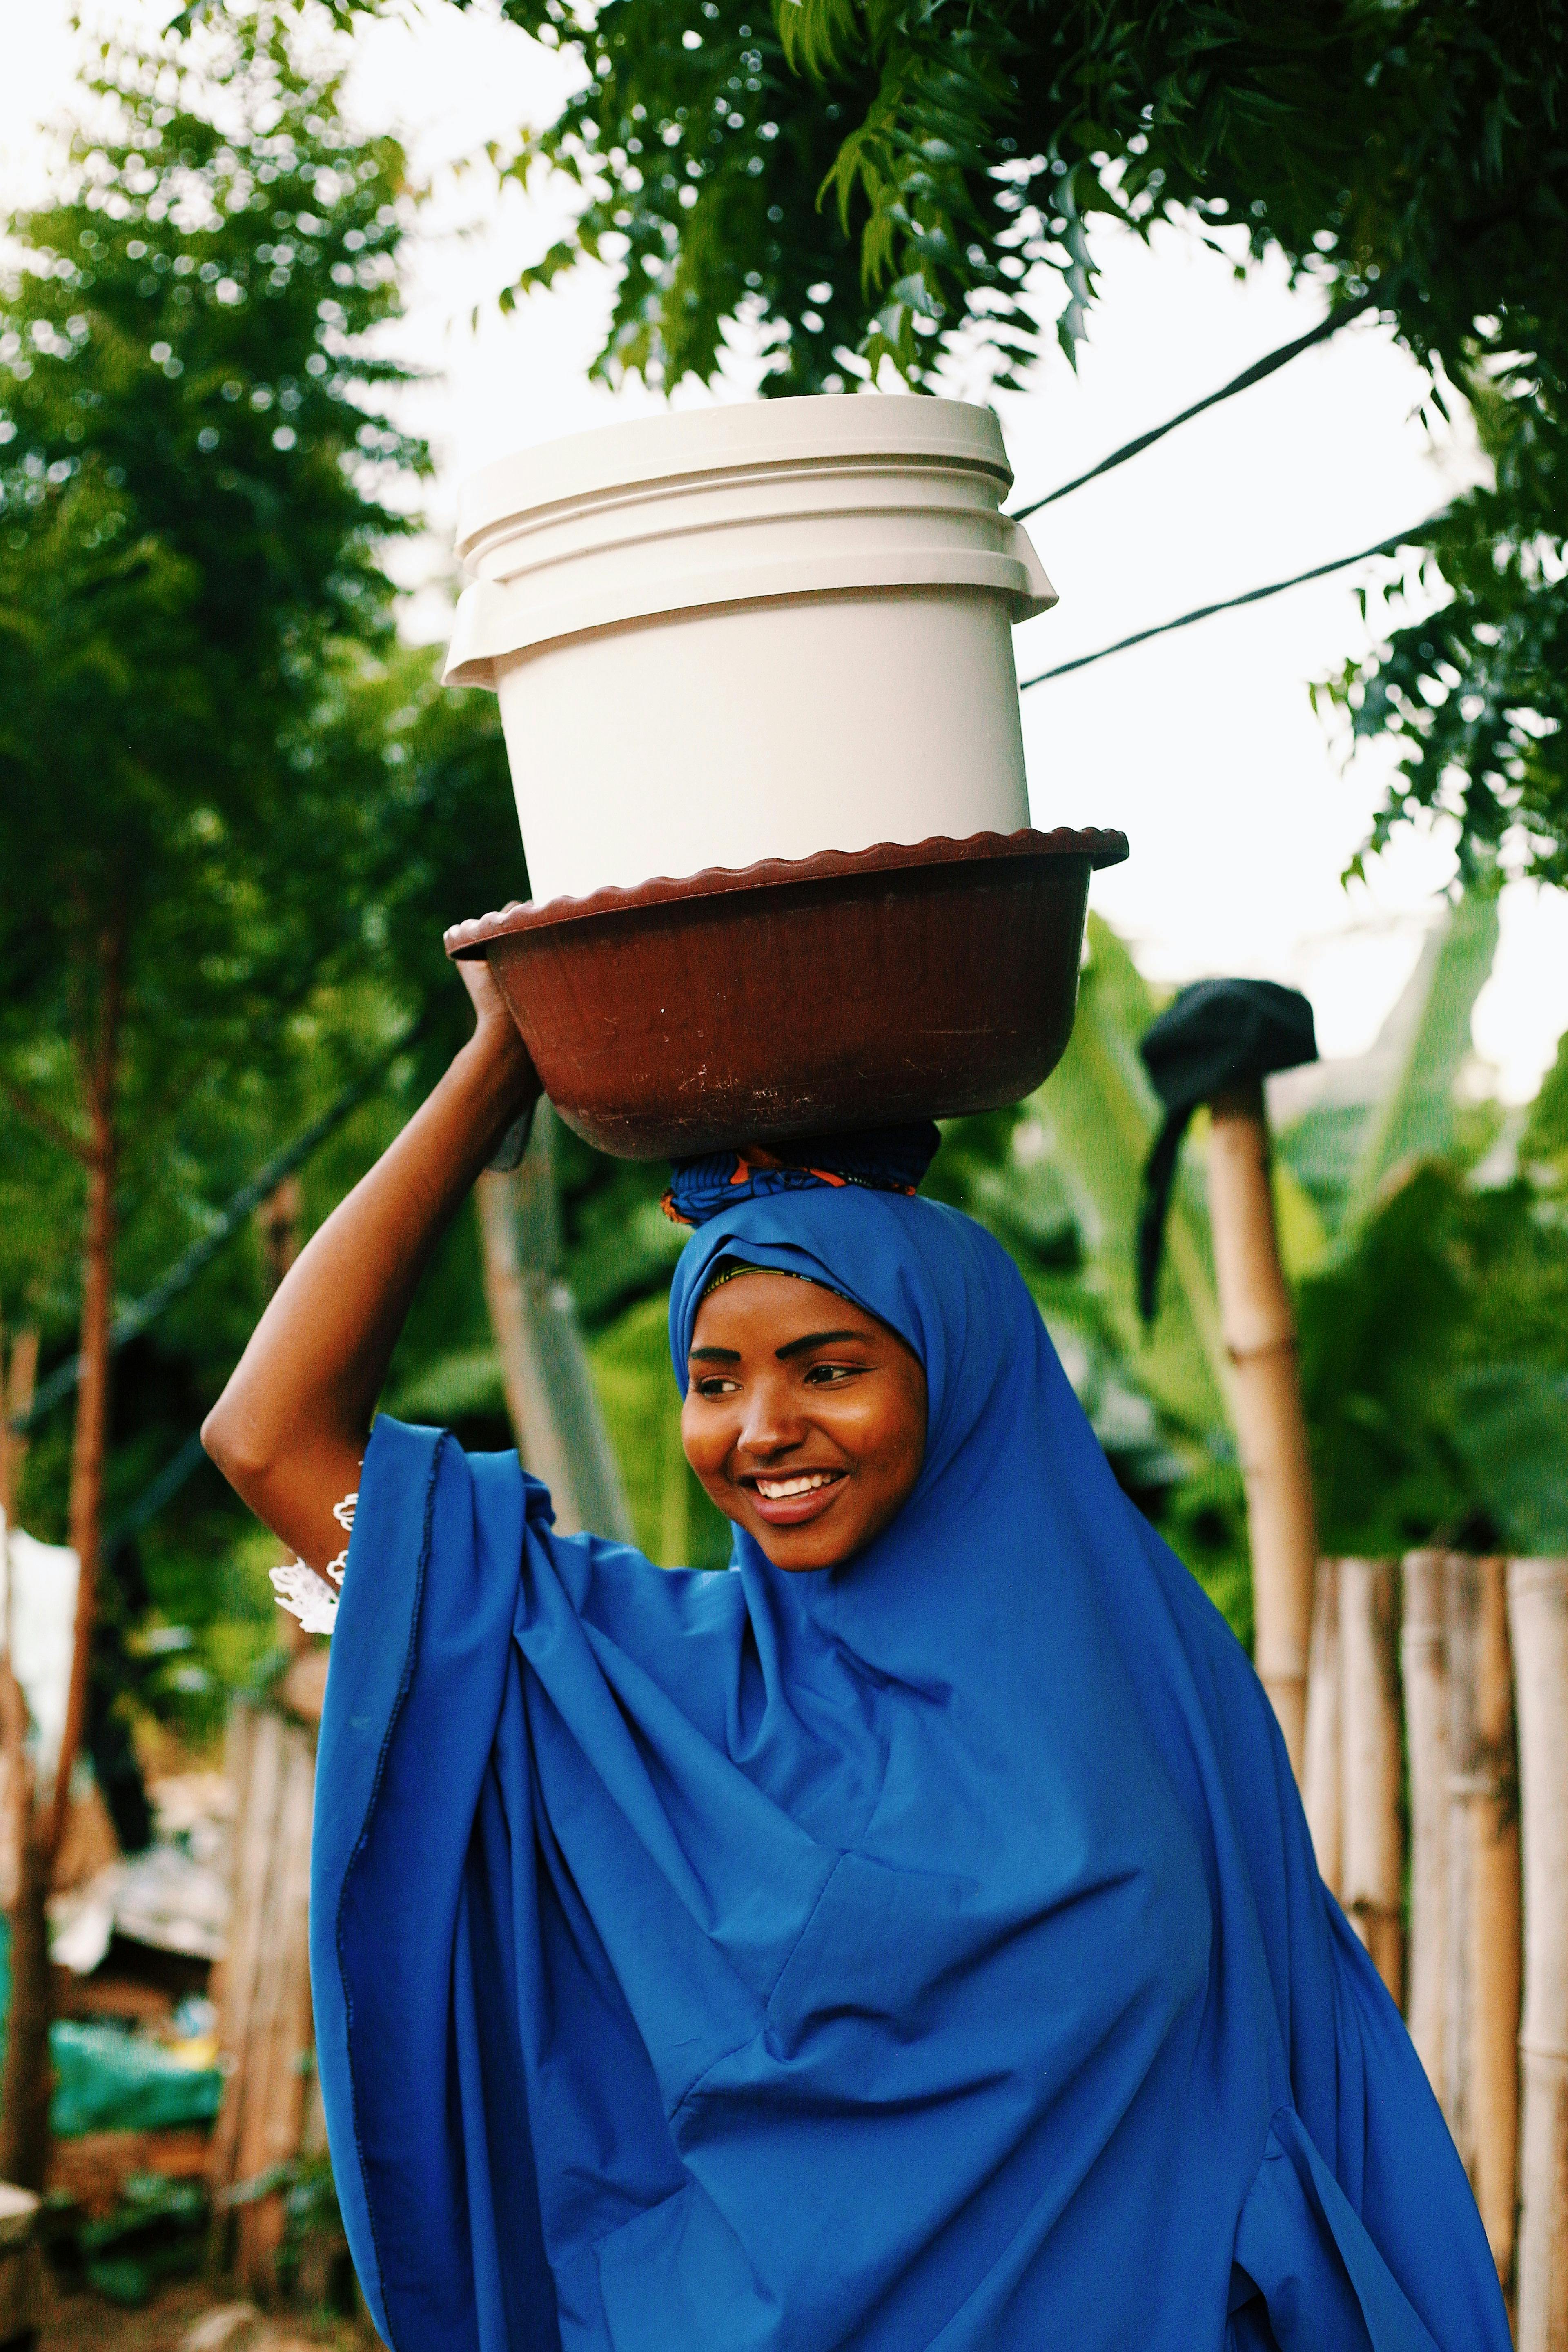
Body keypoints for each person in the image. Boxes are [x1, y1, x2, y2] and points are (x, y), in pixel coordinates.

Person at [203, 960, 1510, 2352]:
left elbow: (1288, 2108)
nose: (759, 1428)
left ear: (961, 1379)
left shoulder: (1161, 1712)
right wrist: (498, 1067)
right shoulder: (631, 1685)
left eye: (831, 1368)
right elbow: (268, 1437)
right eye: (716, 1380)